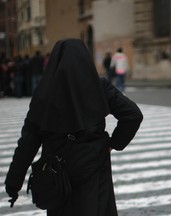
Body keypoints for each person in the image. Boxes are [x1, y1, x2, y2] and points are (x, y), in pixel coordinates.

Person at [5, 39, 143, 216]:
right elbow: (133, 115)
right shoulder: (99, 87)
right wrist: (113, 143)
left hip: (57, 172)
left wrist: (13, 183)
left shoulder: (44, 93)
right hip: (94, 166)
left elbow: (28, 142)